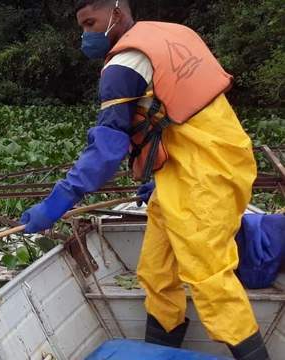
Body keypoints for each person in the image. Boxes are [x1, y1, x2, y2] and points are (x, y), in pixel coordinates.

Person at [19, 1, 270, 359]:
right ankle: (159, 352)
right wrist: (162, 177)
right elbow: (183, 115)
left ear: (116, 14)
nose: (86, 35)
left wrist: (60, 199)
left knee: (208, 276)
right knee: (156, 270)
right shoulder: (171, 34)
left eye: (91, 23)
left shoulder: (124, 64)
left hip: (205, 176)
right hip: (202, 164)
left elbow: (107, 146)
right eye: (82, 26)